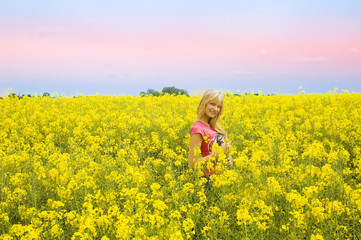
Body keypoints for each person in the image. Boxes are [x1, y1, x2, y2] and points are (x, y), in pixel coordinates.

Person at [188, 89, 233, 188]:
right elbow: (192, 163)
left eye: (219, 106)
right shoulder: (198, 128)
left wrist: (228, 160)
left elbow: (217, 151)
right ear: (204, 103)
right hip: (207, 181)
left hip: (220, 179)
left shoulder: (213, 126)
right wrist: (218, 154)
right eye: (212, 104)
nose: (216, 109)